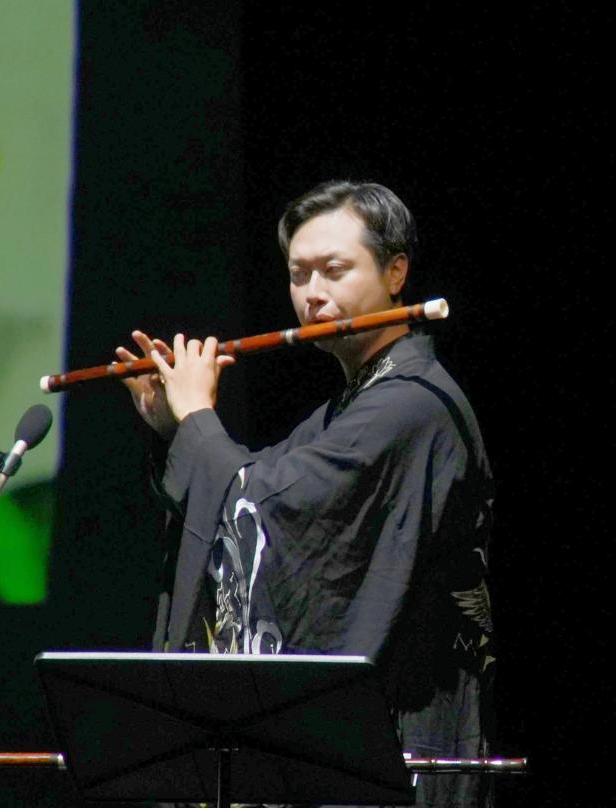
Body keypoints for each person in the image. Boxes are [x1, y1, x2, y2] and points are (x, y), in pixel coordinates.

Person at [117, 181, 496, 807]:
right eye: (299, 274)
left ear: (396, 272)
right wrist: (175, 429)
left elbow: (268, 508)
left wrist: (198, 420)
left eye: (334, 271)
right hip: (357, 750)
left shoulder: (410, 405)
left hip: (399, 747)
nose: (312, 293)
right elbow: (257, 481)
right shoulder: (356, 404)